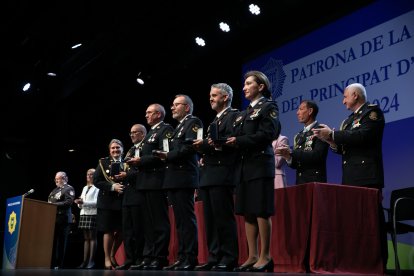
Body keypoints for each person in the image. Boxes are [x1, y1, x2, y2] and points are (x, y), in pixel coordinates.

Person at [312, 82, 387, 268]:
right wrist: (329, 139)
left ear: (355, 96)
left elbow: (363, 137)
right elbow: (342, 149)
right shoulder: (347, 121)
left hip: (367, 175)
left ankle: (377, 264)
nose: (343, 100)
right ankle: (357, 263)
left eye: (345, 96)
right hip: (350, 177)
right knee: (354, 224)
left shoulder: (372, 113)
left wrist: (334, 135)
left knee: (371, 223)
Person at [226, 71, 280, 272]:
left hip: (260, 164)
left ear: (261, 86)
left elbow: (268, 134)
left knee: (261, 210)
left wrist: (238, 141)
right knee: (247, 212)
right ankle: (252, 255)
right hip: (244, 166)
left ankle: (266, 256)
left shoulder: (269, 107)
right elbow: (236, 135)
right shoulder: (244, 112)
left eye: (249, 83)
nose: (244, 87)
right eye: (244, 84)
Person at [193, 83, 239, 271]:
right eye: (210, 95)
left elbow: (231, 140)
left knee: (223, 218)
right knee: (210, 220)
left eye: (214, 95)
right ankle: (214, 256)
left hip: (222, 174)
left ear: (225, 97)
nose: (210, 98)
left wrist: (208, 145)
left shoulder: (233, 116)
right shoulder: (214, 121)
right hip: (208, 175)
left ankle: (229, 257)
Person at [153, 94, 203, 271]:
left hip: (184, 177)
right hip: (174, 178)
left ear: (187, 107)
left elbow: (189, 147)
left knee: (187, 220)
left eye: (176, 105)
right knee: (180, 221)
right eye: (172, 105)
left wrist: (168, 156)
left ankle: (190, 257)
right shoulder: (178, 127)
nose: (172, 108)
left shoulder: (193, 122)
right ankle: (182, 257)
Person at [127, 104, 174, 270]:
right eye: (146, 112)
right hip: (144, 182)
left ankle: (160, 257)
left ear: (159, 114)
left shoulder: (165, 130)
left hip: (156, 181)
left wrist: (141, 161)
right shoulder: (150, 133)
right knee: (147, 223)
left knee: (159, 222)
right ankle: (148, 256)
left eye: (149, 112)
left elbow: (165, 153)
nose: (146, 115)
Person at [115, 124, 147, 270]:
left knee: (138, 229)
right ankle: (129, 259)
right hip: (127, 194)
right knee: (127, 229)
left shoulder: (144, 148)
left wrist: (127, 175)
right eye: (131, 132)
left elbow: (142, 170)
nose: (132, 135)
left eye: (135, 132)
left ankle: (139, 259)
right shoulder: (131, 149)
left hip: (138, 192)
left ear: (143, 134)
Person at [276, 100, 328, 184]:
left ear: (310, 111)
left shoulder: (321, 130)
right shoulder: (298, 136)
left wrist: (292, 151)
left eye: (301, 109)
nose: (297, 112)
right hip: (300, 182)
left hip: (315, 182)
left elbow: (317, 156)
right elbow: (295, 165)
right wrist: (288, 157)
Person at [93, 139, 126, 270]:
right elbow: (96, 181)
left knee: (123, 230)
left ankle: (113, 254)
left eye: (118, 148)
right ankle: (107, 258)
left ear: (122, 149)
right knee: (108, 230)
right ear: (109, 150)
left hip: (124, 200)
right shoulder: (103, 162)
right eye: (113, 148)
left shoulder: (128, 161)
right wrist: (112, 187)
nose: (115, 150)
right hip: (107, 201)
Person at [48, 171, 75, 269]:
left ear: (64, 178)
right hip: (53, 219)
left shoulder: (69, 188)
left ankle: (60, 264)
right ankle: (52, 263)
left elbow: (69, 202)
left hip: (63, 219)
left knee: (61, 243)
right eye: (55, 178)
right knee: (53, 242)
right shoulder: (55, 190)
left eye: (58, 178)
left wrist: (54, 205)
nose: (56, 180)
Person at [74, 168, 99, 269]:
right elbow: (82, 202)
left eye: (91, 174)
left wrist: (83, 202)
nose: (89, 176)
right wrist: (79, 203)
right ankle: (84, 261)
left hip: (93, 214)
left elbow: (97, 203)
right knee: (86, 238)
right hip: (83, 214)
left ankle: (91, 261)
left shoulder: (97, 187)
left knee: (92, 238)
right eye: (88, 174)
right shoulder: (84, 187)